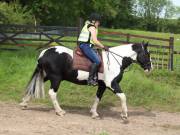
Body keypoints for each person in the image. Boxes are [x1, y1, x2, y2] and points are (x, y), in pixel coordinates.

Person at [78, 13, 109, 86]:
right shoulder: (92, 27)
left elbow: (91, 41)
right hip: (85, 46)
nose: (99, 23)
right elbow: (95, 40)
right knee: (97, 61)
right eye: (98, 22)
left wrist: (96, 47)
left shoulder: (88, 25)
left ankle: (95, 77)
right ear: (93, 21)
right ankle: (90, 79)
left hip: (86, 45)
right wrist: (103, 47)